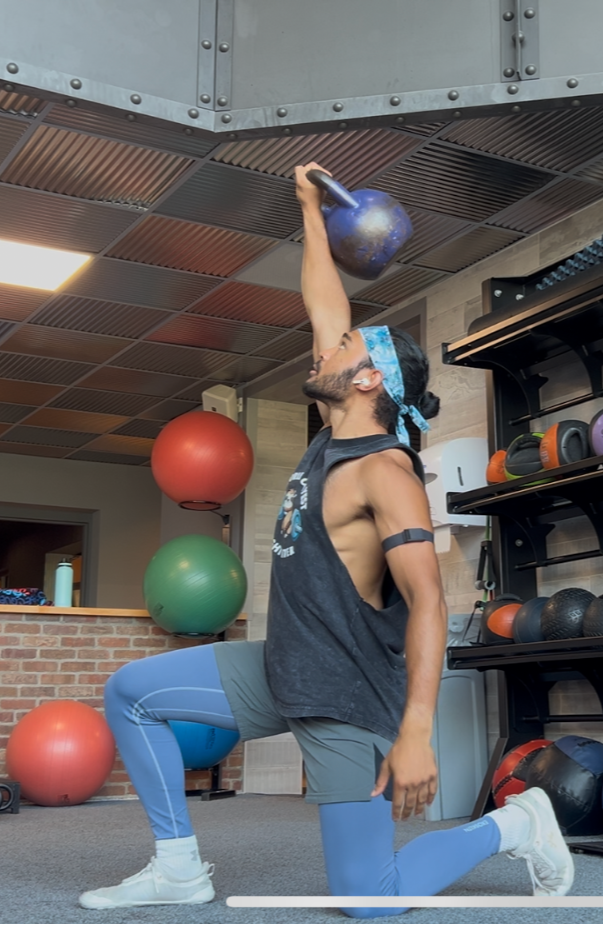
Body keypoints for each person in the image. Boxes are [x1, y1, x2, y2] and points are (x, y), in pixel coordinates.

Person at [78, 162, 574, 916]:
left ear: (370, 379)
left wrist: (417, 735)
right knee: (132, 694)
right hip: (284, 669)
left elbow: (431, 603)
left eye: (344, 346)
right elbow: (323, 299)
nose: (325, 346)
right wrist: (309, 208)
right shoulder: (331, 439)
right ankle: (178, 864)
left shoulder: (384, 471)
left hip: (346, 696)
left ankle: (515, 823)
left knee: (369, 902)